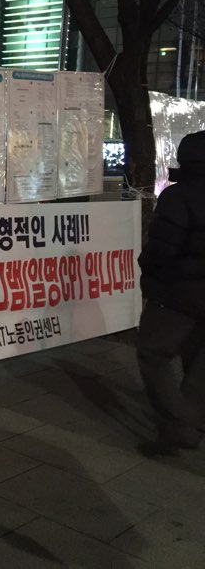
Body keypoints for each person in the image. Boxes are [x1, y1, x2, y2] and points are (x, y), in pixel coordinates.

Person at [137, 130, 205, 451]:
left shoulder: (179, 196)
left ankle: (181, 425)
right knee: (199, 360)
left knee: (152, 354)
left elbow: (162, 249)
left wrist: (148, 270)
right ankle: (190, 423)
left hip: (178, 292)